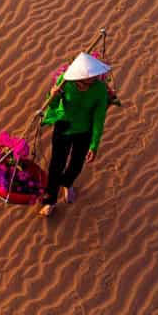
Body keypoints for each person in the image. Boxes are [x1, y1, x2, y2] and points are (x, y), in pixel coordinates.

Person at [38, 52, 114, 215]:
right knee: (56, 166)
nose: (95, 77)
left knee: (76, 164)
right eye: (91, 75)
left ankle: (68, 183)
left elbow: (99, 118)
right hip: (64, 128)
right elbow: (53, 106)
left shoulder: (100, 89)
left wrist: (94, 145)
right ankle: (50, 201)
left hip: (84, 132)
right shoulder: (65, 82)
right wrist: (53, 96)